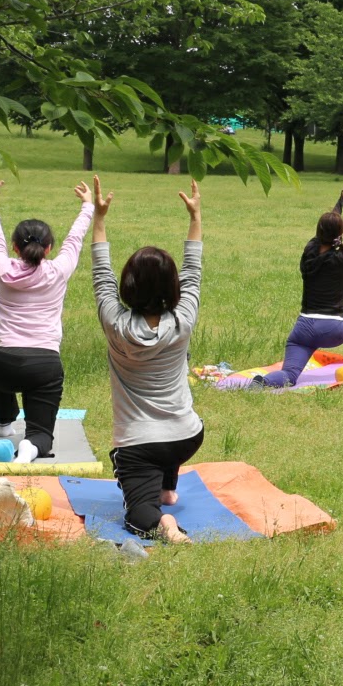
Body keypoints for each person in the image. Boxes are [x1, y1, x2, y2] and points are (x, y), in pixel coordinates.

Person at [90, 176, 205, 544]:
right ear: (174, 288)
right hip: (188, 435)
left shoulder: (114, 323)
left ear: (128, 286)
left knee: (138, 515)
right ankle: (168, 488)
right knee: (165, 447)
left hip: (140, 444)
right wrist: (195, 217)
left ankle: (166, 522)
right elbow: (193, 270)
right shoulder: (182, 320)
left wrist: (100, 218)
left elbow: (100, 275)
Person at [0, 172, 95, 462]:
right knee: (41, 433)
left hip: (1, 364)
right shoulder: (59, 270)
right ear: (48, 249)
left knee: (0, 362)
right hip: (44, 365)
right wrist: (88, 206)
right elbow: (76, 238)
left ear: (15, 247)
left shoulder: (0, 267)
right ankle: (30, 448)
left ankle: (4, 424)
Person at [254, 182, 343, 388]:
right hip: (333, 330)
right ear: (340, 233)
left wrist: (341, 201)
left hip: (302, 329)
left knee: (289, 375)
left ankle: (263, 382)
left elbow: (327, 228)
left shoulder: (309, 250)